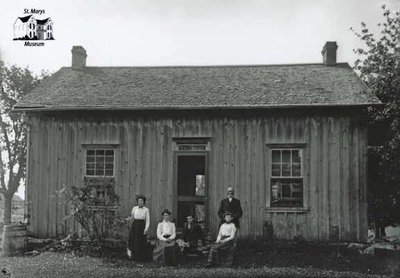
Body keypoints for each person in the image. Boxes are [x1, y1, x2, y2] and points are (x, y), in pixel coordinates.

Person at [127, 195, 150, 261]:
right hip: (135, 225)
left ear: (144, 202)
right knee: (133, 240)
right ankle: (133, 256)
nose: (140, 202)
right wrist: (127, 219)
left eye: (142, 201)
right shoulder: (134, 208)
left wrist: (146, 229)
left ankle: (140, 257)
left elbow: (148, 220)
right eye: (139, 201)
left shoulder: (146, 210)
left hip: (141, 225)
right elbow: (131, 217)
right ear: (137, 202)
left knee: (140, 241)